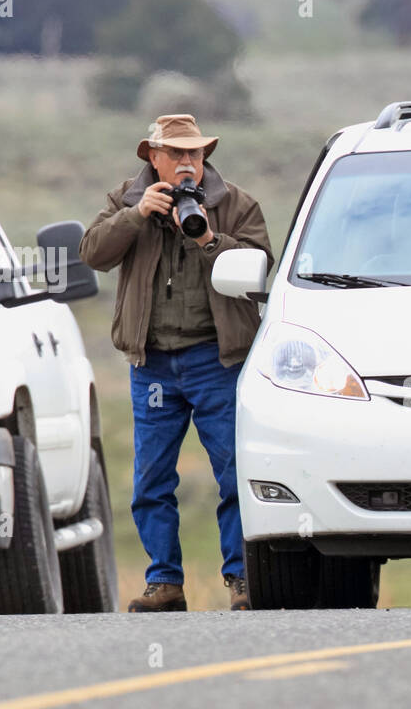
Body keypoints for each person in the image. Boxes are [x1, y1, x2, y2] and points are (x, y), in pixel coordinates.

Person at [79, 114, 273, 612]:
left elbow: (259, 268)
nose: (188, 162)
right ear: (152, 156)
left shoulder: (236, 204)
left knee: (233, 473)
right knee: (151, 480)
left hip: (217, 359)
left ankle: (242, 580)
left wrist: (209, 239)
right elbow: (93, 254)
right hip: (153, 364)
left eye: (195, 153)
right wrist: (137, 214)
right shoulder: (127, 198)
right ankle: (164, 583)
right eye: (177, 154)